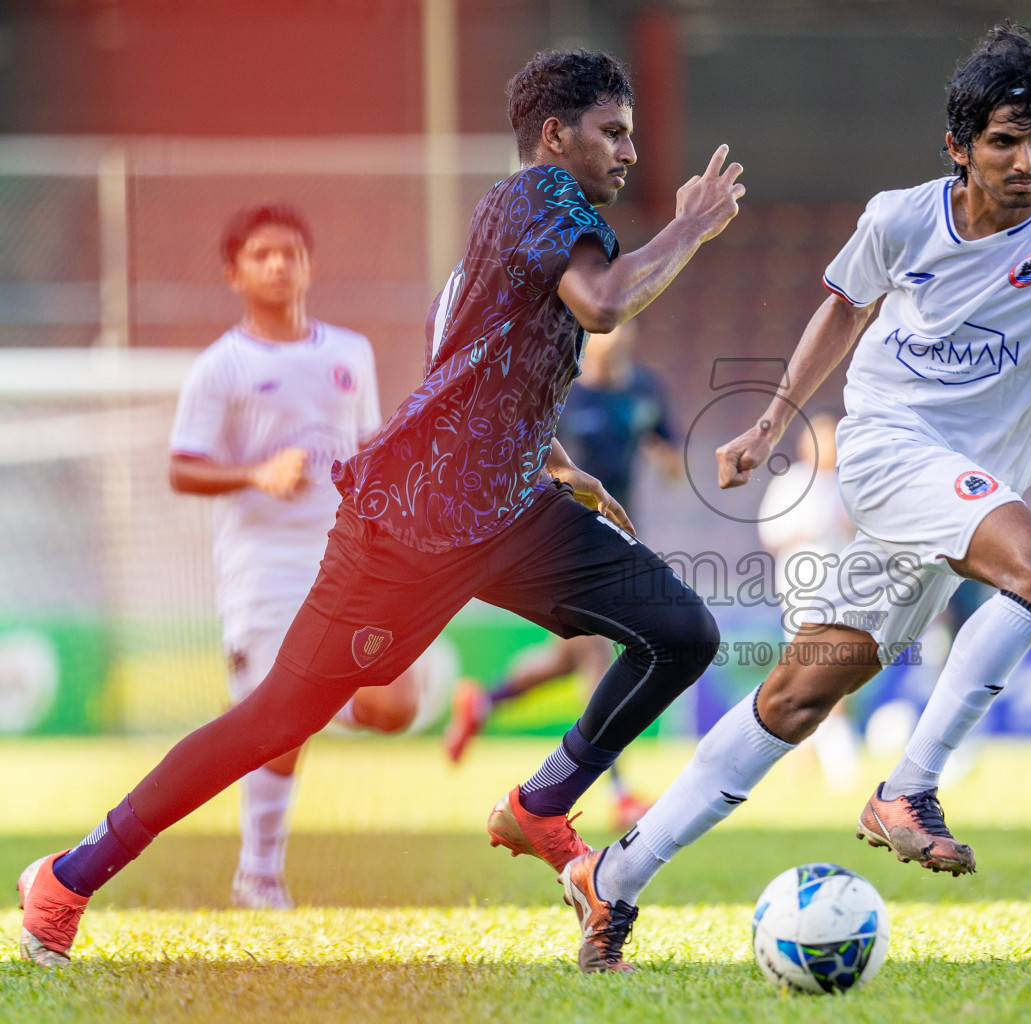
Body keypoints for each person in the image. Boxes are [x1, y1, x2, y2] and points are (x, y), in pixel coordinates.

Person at [554, 22, 1031, 972]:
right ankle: (911, 791)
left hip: (961, 491)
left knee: (801, 695)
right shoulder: (901, 218)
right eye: (1005, 142)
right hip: (891, 451)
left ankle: (615, 879)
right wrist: (773, 423)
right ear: (958, 149)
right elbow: (844, 307)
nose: (1027, 160)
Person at [16, 47, 744, 968]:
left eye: (632, 134)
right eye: (614, 132)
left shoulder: (517, 227)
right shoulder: (539, 200)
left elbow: (471, 367)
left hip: (511, 509)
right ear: (555, 136)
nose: (630, 152)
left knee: (681, 631)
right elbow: (602, 307)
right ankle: (69, 877)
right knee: (275, 719)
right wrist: (691, 229)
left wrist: (557, 461)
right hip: (411, 525)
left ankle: (540, 805)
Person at [169, 203, 431, 909]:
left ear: (309, 264)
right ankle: (258, 875)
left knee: (395, 703)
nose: (279, 264)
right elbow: (183, 468)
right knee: (276, 722)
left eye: (291, 252)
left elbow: (371, 448)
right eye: (262, 255)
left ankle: (300, 704)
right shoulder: (220, 367)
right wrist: (255, 473)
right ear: (235, 272)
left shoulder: (350, 352)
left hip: (349, 558)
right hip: (265, 567)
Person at [444, 319, 682, 830]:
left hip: (621, 532)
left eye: (625, 325)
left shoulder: (643, 388)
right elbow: (535, 451)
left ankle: (483, 703)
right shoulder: (566, 391)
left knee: (568, 658)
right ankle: (619, 791)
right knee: (597, 652)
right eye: (607, 327)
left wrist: (665, 460)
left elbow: (667, 450)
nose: (617, 334)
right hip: (568, 534)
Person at [756, 412, 859, 791]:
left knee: (837, 668)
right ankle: (804, 758)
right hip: (801, 590)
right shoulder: (791, 483)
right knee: (804, 670)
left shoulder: (851, 484)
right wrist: (806, 528)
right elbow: (771, 532)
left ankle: (837, 758)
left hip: (845, 591)